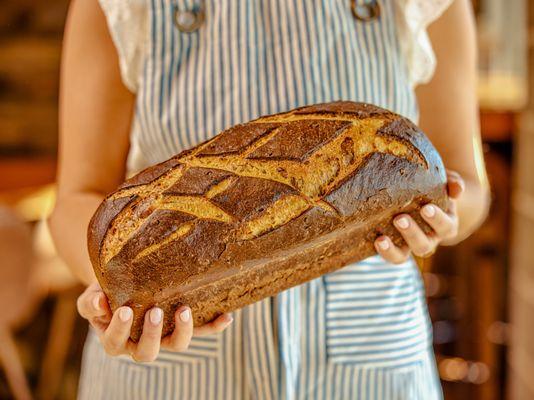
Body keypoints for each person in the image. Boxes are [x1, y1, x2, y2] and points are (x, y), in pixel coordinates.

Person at [49, 0, 490, 398]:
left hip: (369, 363)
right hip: (174, 372)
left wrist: (445, 214)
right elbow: (76, 196)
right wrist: (112, 300)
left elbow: (465, 185)